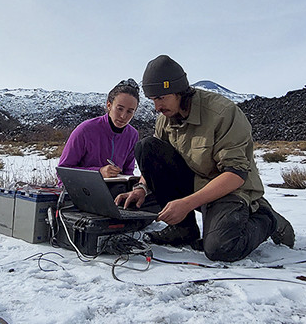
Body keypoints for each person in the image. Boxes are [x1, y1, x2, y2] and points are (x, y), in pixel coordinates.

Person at [115, 55, 294, 262]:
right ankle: (182, 231)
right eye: (153, 100)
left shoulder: (223, 113)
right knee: (146, 147)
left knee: (221, 248)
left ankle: (267, 218)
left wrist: (186, 203)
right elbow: (155, 160)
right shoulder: (165, 119)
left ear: (179, 90)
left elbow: (235, 175)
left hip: (231, 188)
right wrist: (141, 188)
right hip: (196, 183)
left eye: (161, 98)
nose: (156, 107)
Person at [58, 78, 141, 179]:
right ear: (109, 105)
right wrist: (99, 172)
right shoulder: (85, 130)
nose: (123, 116)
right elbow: (63, 171)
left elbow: (128, 172)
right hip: (82, 189)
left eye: (129, 111)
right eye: (119, 109)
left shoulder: (132, 135)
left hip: (115, 191)